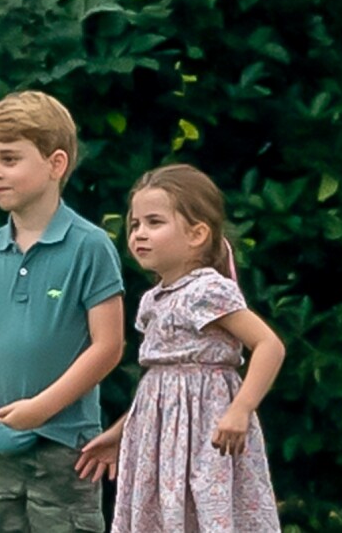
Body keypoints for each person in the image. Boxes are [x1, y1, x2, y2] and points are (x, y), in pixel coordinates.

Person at [76, 163, 285, 532]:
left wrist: (240, 410)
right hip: (160, 448)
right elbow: (163, 391)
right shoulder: (153, 300)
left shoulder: (208, 289)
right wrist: (123, 431)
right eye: (135, 224)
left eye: (155, 223)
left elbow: (268, 344)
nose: (139, 233)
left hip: (208, 438)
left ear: (197, 234)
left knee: (206, 513)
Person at [0, 90, 125, 533]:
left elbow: (108, 346)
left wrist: (40, 410)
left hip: (66, 448)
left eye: (9, 159)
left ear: (56, 164)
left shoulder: (91, 246)